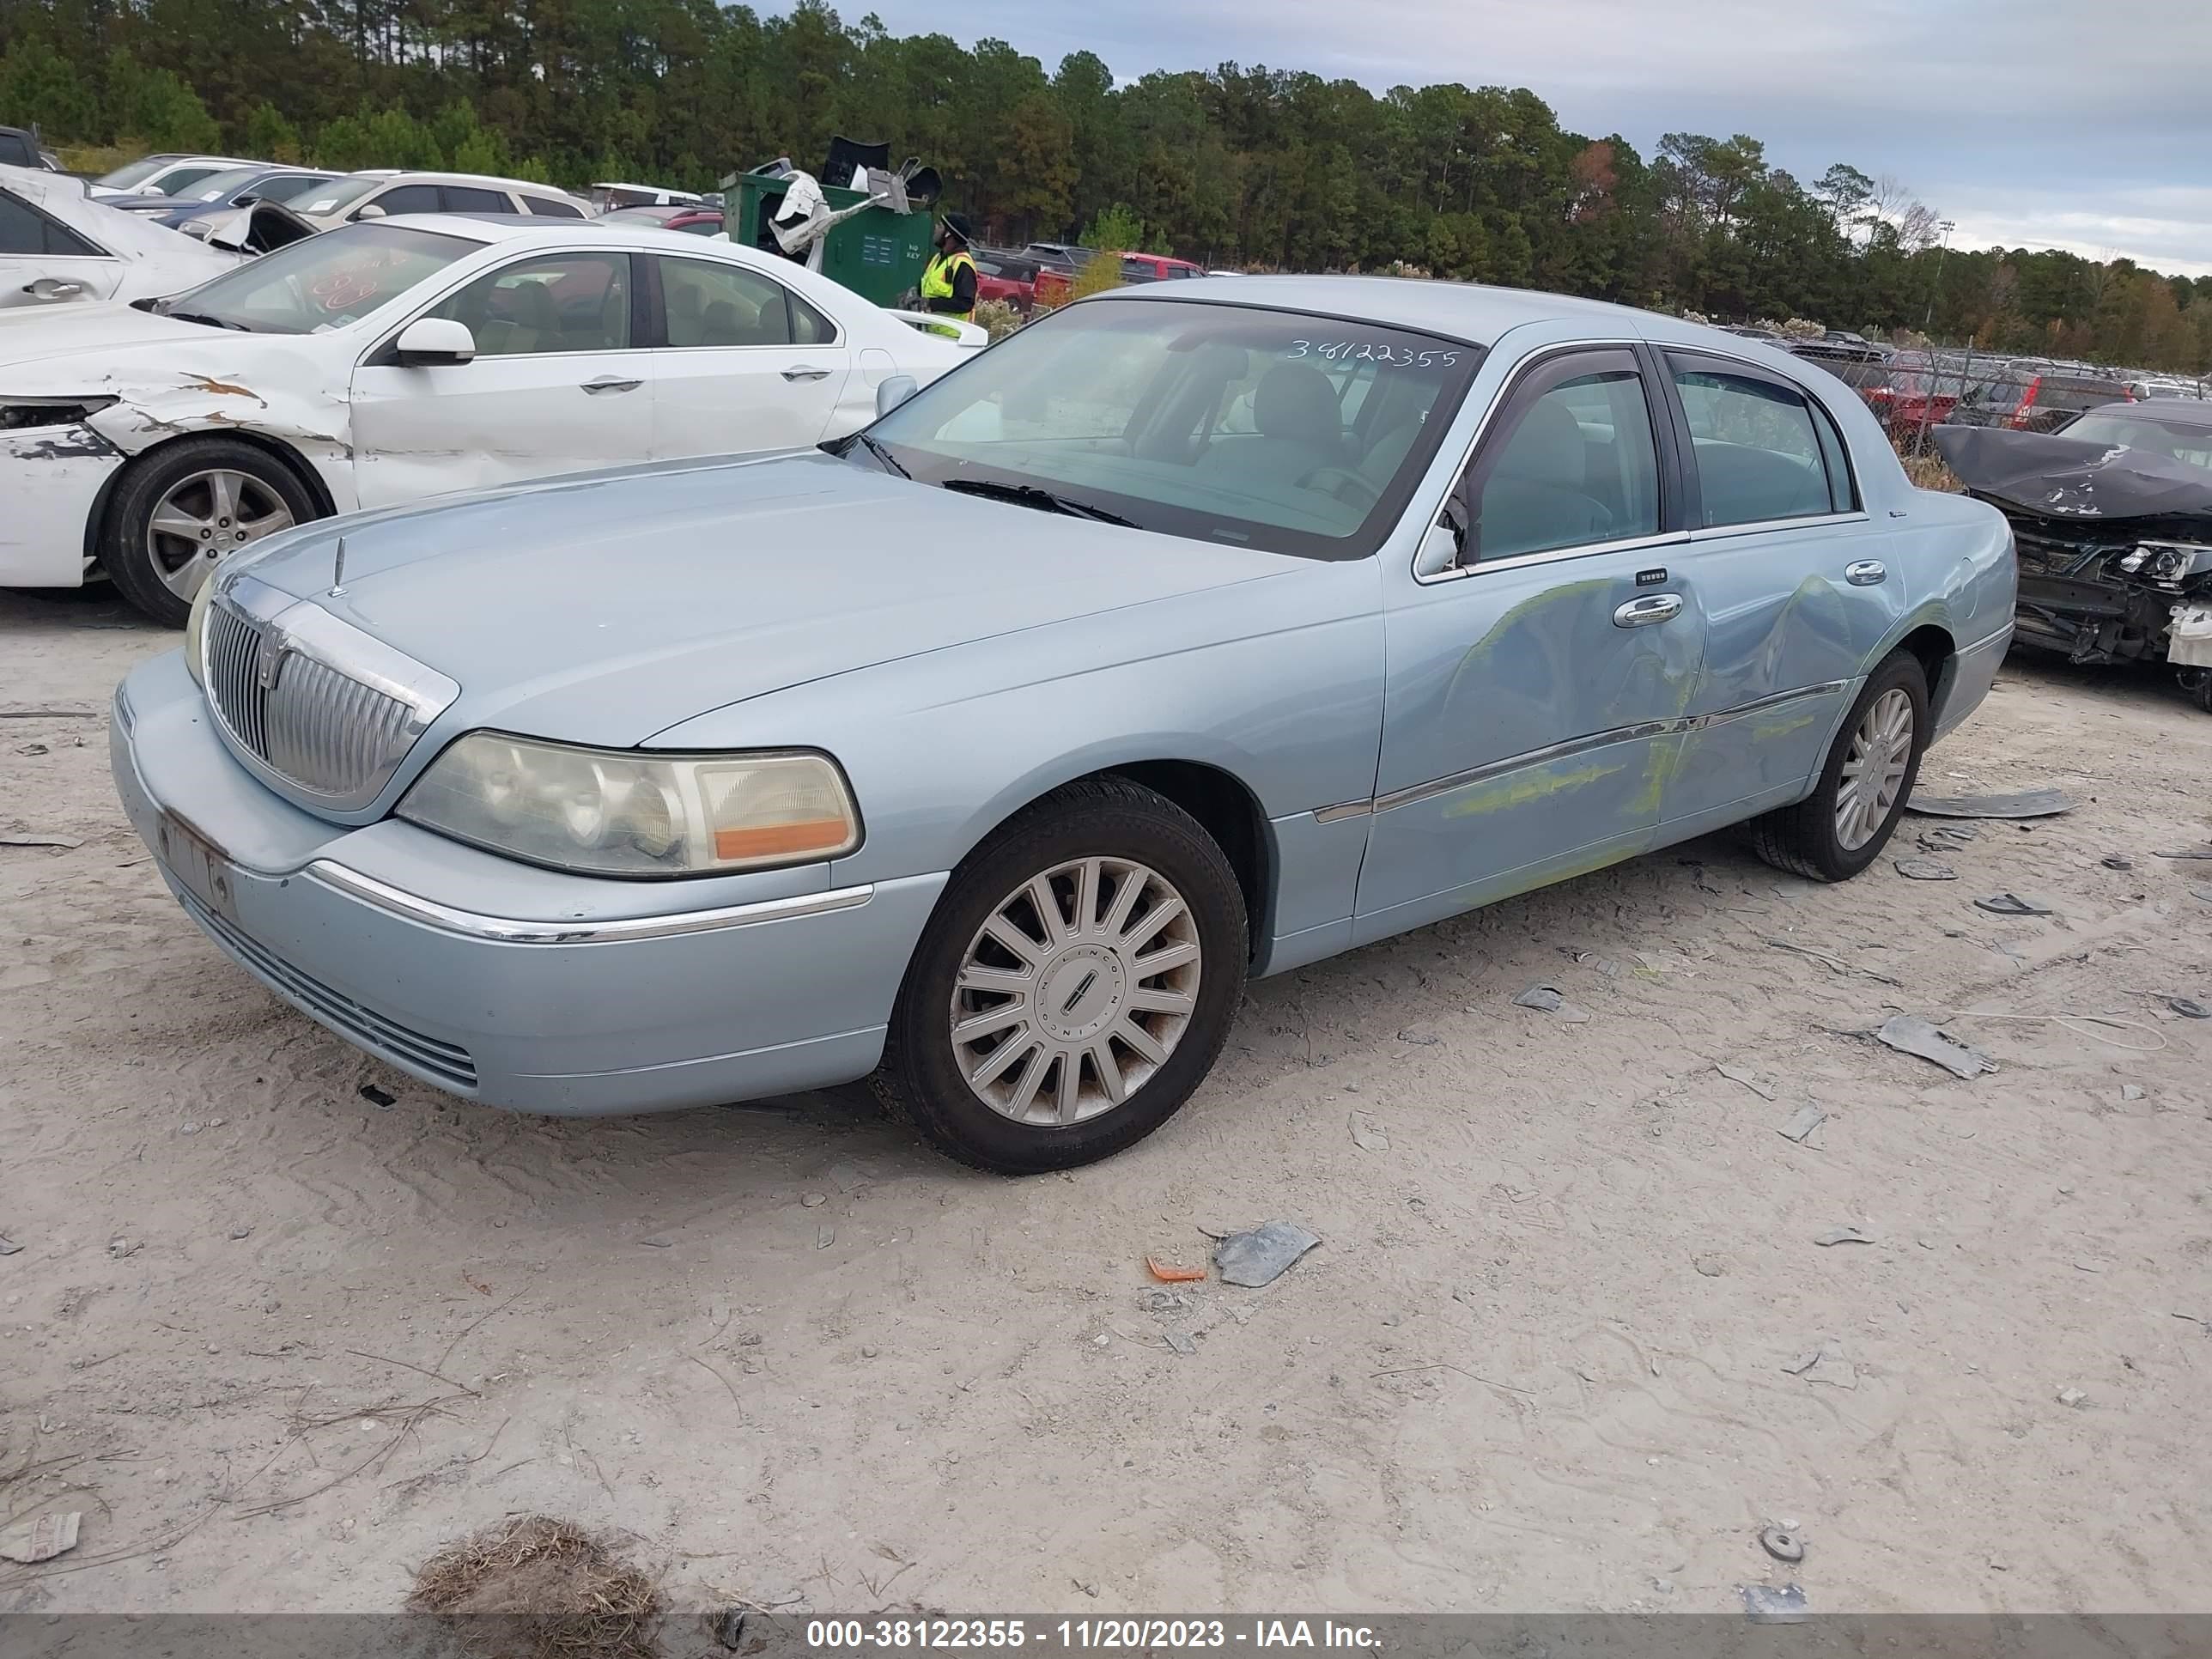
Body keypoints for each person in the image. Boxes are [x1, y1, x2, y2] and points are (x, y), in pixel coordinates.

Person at [921, 212, 979, 320]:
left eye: (940, 226)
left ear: (948, 234)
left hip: (951, 335)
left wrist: (930, 303)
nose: (936, 228)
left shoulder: (963, 264)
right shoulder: (937, 258)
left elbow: (965, 303)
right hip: (932, 331)